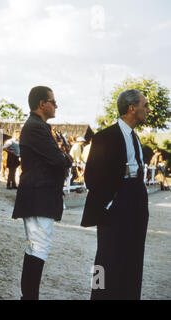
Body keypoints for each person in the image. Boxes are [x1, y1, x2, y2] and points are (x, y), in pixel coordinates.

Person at [82, 89, 151, 300]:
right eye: (145, 105)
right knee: (105, 258)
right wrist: (110, 203)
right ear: (132, 108)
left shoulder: (136, 138)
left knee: (133, 257)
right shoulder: (105, 137)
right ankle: (98, 296)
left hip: (136, 205)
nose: (148, 109)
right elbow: (91, 176)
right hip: (114, 206)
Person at [12, 86, 72, 300]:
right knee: (39, 247)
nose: (56, 105)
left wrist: (63, 157)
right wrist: (66, 158)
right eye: (53, 101)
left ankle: (29, 296)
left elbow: (58, 157)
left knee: (38, 246)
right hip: (38, 194)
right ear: (41, 103)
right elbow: (59, 159)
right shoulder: (36, 127)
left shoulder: (39, 126)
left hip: (40, 194)